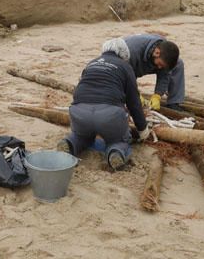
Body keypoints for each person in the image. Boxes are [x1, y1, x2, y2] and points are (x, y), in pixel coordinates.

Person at [57, 38, 150, 170]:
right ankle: (116, 152)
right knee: (119, 141)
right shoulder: (125, 66)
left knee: (82, 136)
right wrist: (142, 130)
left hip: (79, 111)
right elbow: (133, 102)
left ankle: (69, 143)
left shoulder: (91, 63)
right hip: (109, 115)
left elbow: (80, 89)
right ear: (124, 55)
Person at [123, 34, 183, 110]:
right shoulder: (130, 51)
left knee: (178, 63)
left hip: (147, 62)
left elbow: (164, 75)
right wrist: (134, 93)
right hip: (122, 66)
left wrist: (157, 95)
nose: (160, 68)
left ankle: (174, 102)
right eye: (160, 64)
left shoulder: (163, 50)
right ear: (157, 53)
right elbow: (125, 75)